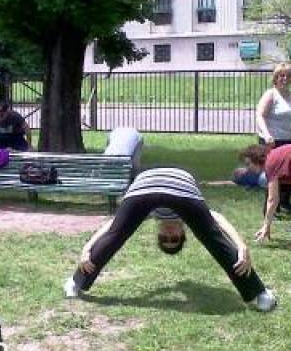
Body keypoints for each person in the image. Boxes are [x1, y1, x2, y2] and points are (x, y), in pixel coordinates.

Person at [63, 167, 276, 312]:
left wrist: (88, 247)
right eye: (174, 238)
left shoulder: (150, 213)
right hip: (176, 185)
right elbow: (216, 221)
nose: (170, 234)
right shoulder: (185, 216)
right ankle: (260, 293)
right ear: (183, 233)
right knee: (211, 236)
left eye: (166, 238)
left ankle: (75, 282)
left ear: (159, 233)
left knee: (118, 235)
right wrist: (241, 246)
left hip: (146, 184)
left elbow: (113, 228)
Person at [256, 63, 291, 209]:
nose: (284, 78)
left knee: (288, 172)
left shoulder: (289, 95)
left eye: (288, 76)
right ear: (275, 78)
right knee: (273, 175)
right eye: (281, 75)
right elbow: (260, 115)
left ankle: (283, 204)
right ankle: (270, 206)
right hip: (272, 141)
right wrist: (267, 134)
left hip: (288, 140)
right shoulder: (271, 94)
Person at [240, 144, 291, 243]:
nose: (247, 169)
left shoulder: (270, 163)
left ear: (257, 160)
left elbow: (272, 199)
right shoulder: (273, 158)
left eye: (248, 164)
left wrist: (266, 226)